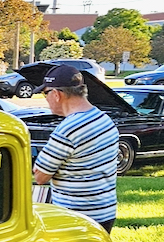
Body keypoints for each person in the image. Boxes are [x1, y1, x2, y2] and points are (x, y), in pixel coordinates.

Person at [32, 64, 119, 233]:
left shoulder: (68, 129)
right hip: (105, 212)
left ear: (56, 94)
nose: (46, 99)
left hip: (75, 217)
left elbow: (40, 176)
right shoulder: (104, 119)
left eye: (45, 93)